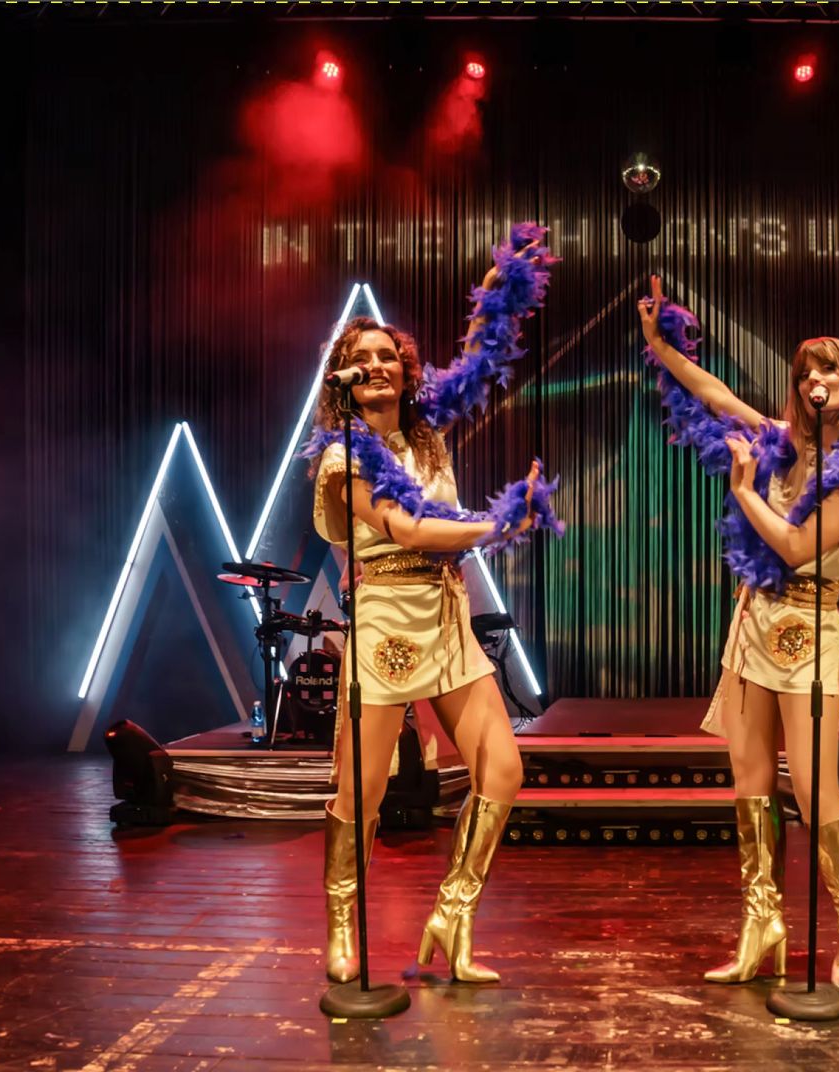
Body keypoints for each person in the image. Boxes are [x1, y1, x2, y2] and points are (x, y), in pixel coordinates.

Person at [306, 226, 561, 984]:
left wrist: (502, 289)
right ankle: (342, 924)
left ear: (405, 370)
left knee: (502, 770)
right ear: (344, 377)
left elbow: (478, 361)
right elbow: (407, 528)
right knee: (363, 791)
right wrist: (498, 524)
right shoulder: (341, 455)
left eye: (389, 355)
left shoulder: (425, 436)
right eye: (363, 357)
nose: (378, 364)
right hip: (385, 622)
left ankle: (454, 912)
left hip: (445, 618)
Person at [638, 277, 839, 991]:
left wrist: (744, 492)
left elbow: (795, 546)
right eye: (806, 371)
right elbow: (718, 396)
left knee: (813, 789)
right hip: (755, 619)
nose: (815, 380)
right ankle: (762, 926)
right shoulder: (784, 444)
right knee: (749, 784)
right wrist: (662, 347)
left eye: (828, 370)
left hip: (810, 628)